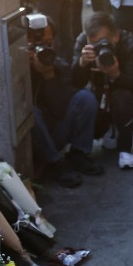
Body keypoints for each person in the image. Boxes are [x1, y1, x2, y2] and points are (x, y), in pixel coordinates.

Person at [27, 13, 104, 188]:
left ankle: (78, 153)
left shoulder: (58, 66)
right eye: (36, 46)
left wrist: (48, 75)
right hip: (32, 141)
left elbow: (61, 109)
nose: (43, 50)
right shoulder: (14, 67)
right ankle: (56, 163)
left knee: (85, 98)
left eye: (48, 44)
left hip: (55, 130)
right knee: (29, 110)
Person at [72, 12, 133, 170]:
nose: (98, 47)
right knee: (86, 99)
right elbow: (74, 83)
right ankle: (108, 128)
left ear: (115, 37)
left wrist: (115, 73)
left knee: (122, 95)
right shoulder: (82, 41)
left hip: (128, 99)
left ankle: (126, 147)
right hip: (98, 96)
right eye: (93, 43)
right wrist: (82, 63)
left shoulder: (131, 43)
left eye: (102, 43)